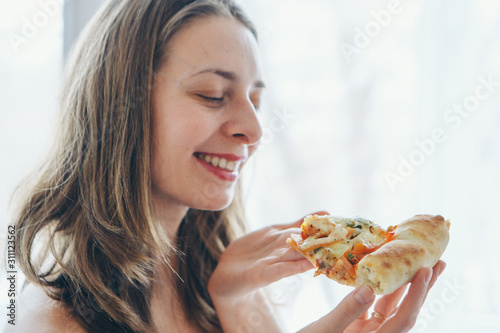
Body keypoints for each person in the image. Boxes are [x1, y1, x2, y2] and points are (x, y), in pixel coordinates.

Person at [9, 0, 446, 332]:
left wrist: (234, 305)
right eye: (213, 95)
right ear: (121, 107)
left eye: (255, 101)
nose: (253, 131)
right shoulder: (52, 317)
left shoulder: (233, 284)